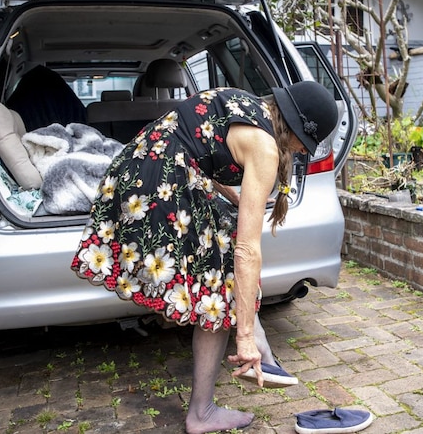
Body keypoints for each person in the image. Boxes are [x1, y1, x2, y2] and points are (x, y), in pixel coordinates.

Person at [70, 81, 339, 434]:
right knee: (217, 289)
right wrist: (239, 338)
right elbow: (248, 250)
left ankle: (260, 347)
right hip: (158, 186)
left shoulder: (244, 102)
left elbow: (199, 156)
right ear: (298, 132)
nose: (304, 153)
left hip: (136, 171)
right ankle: (206, 407)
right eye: (306, 145)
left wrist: (242, 203)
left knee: (225, 240)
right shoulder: (265, 147)